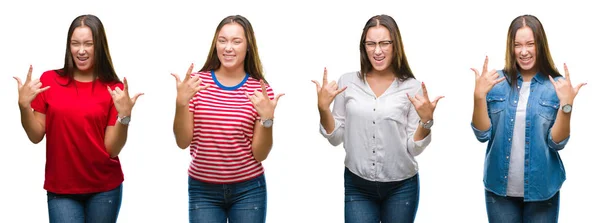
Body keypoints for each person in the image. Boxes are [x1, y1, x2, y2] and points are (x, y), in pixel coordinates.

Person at [313, 14, 443, 223]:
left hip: (402, 186)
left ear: (395, 45)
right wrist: (323, 109)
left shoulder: (412, 87)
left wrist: (426, 122)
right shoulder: (347, 82)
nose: (377, 50)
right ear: (363, 47)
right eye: (371, 44)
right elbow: (336, 138)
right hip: (358, 185)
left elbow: (414, 148)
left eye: (384, 43)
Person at [13, 14, 142, 223]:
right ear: (69, 46)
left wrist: (124, 117)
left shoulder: (114, 89)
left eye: (88, 44)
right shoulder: (49, 80)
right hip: (61, 189)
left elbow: (112, 149)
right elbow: (36, 135)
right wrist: (23, 107)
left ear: (98, 47)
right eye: (75, 44)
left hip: (104, 189)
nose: (81, 50)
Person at [470, 14, 586, 223]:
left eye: (530, 44)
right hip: (499, 189)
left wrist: (567, 106)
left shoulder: (556, 87)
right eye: (518, 45)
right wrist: (478, 97)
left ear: (540, 46)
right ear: (511, 47)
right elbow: (482, 134)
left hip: (543, 190)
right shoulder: (494, 82)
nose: (524, 51)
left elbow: (557, 143)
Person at [171, 15, 284, 223]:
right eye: (222, 40)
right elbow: (182, 142)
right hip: (202, 189)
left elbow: (260, 155)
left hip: (248, 190)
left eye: (236, 41)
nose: (228, 48)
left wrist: (267, 120)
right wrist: (180, 103)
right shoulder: (196, 84)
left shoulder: (260, 90)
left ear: (248, 46)